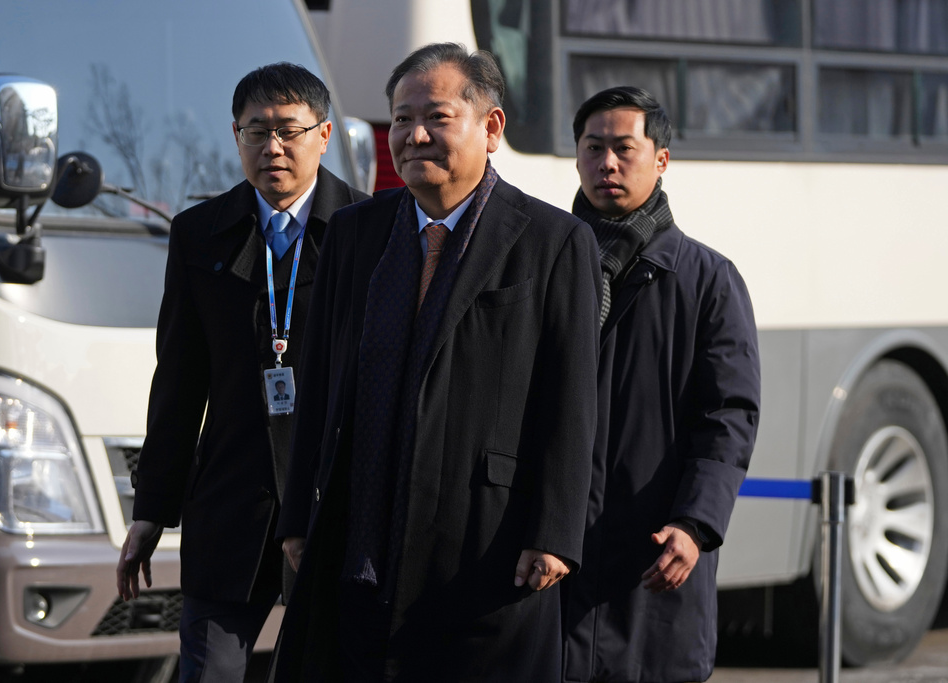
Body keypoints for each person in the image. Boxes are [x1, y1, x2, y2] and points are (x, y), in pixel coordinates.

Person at [269, 43, 601, 682]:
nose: (414, 134)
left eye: (437, 117)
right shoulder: (354, 233)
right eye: (399, 118)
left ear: (491, 127)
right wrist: (296, 517)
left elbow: (572, 396)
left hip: (485, 538)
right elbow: (318, 385)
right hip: (357, 534)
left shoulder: (553, 242)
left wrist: (557, 530)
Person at [115, 62, 367, 682]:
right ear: (236, 136)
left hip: (332, 504)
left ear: (324, 135)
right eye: (256, 132)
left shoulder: (369, 230)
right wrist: (152, 509)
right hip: (231, 504)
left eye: (289, 130)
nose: (272, 148)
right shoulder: (200, 233)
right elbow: (178, 381)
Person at [562, 86, 762, 683]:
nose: (607, 164)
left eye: (624, 148)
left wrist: (695, 524)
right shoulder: (544, 264)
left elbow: (729, 416)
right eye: (593, 148)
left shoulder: (707, 280)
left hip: (653, 562)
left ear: (662, 159)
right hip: (552, 572)